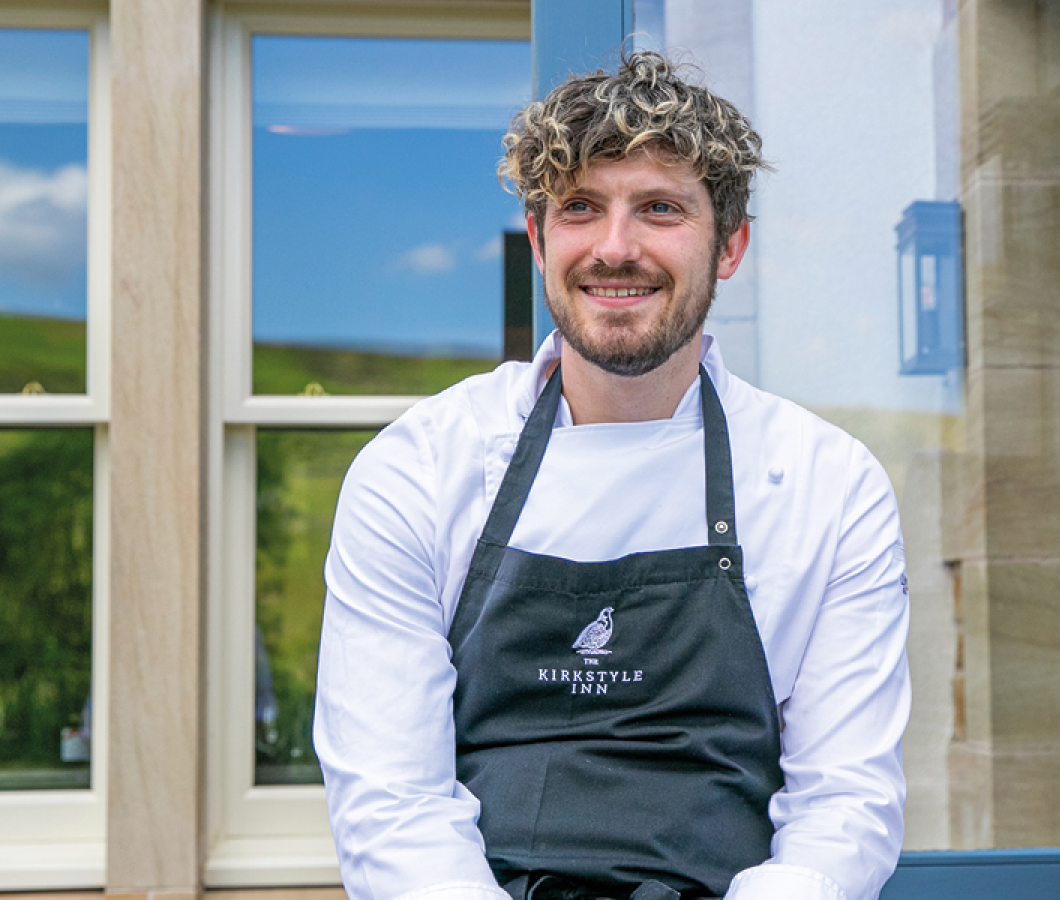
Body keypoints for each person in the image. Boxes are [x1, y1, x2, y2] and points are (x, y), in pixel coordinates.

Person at [315, 51, 910, 900]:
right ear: (539, 238)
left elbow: (845, 805)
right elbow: (391, 805)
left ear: (731, 245)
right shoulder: (417, 470)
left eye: (660, 208)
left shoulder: (827, 485)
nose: (615, 248)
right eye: (581, 208)